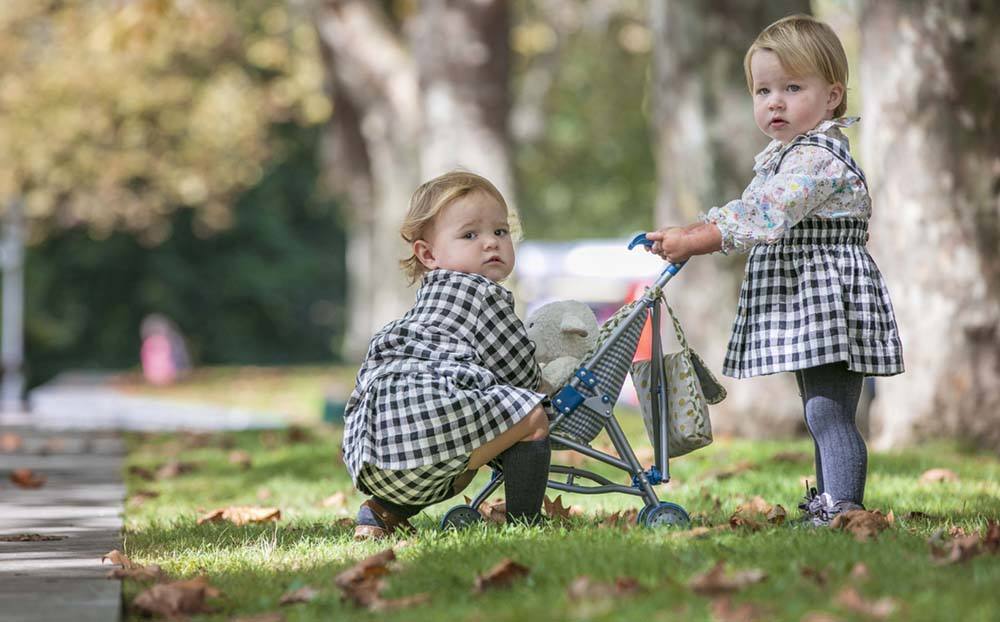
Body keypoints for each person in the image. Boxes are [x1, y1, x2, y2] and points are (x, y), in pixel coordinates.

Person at [645, 15, 904, 526]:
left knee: (828, 410)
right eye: (763, 90)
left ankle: (843, 506)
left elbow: (766, 215)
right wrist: (692, 230)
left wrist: (695, 242)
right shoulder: (787, 157)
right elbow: (747, 207)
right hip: (809, 298)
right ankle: (829, 503)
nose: (774, 101)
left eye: (792, 87)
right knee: (819, 407)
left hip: (828, 297)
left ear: (832, 96)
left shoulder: (815, 158)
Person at [342, 170, 551, 540]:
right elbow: (520, 372)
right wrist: (545, 385)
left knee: (461, 451)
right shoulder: (483, 295)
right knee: (530, 415)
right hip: (430, 425)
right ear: (428, 253)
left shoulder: (428, 302)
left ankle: (379, 512)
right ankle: (525, 522)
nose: (491, 244)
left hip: (374, 448)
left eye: (500, 232)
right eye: (470, 235)